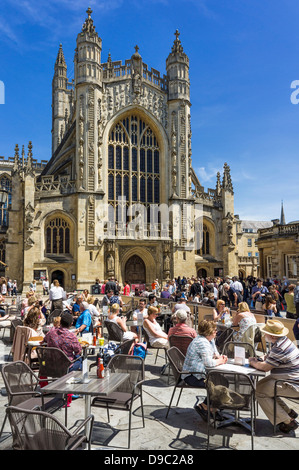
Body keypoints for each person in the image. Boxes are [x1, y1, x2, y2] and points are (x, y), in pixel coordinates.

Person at [249, 319, 299, 433]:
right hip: (288, 379)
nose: (264, 334)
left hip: (293, 384)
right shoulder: (283, 341)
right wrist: (262, 358)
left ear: (272, 336)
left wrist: (252, 361)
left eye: (266, 332)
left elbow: (265, 367)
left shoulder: (279, 347)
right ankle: (287, 412)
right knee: (260, 386)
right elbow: (273, 356)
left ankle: (288, 421)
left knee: (260, 392)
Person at [181, 320, 228, 420]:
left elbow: (215, 354)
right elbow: (209, 363)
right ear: (209, 331)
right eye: (215, 330)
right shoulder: (202, 342)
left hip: (201, 373)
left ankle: (211, 407)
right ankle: (205, 406)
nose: (216, 332)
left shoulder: (210, 340)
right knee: (219, 385)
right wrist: (220, 361)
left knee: (223, 381)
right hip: (192, 375)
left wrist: (219, 358)